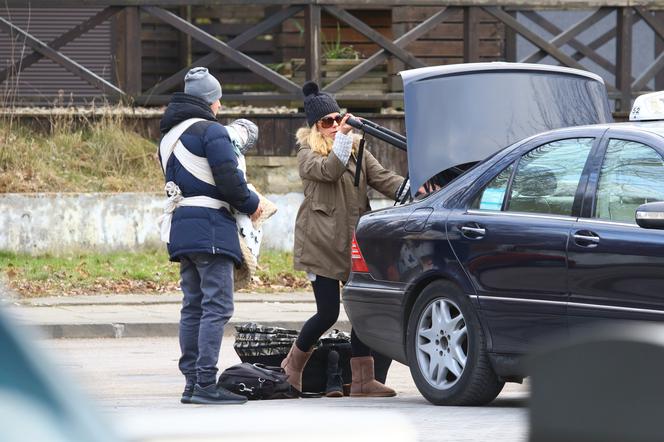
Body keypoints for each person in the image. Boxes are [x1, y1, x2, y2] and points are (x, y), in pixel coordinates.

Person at [281, 81, 409, 397]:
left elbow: (384, 179)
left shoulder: (356, 149)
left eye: (338, 119)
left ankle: (363, 381)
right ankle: (291, 369)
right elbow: (328, 171)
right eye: (328, 121)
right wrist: (343, 141)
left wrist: (414, 189)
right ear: (314, 126)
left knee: (362, 311)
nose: (335, 125)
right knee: (328, 313)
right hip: (320, 245)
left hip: (354, 245)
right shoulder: (306, 153)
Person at [157, 67, 262, 405]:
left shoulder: (169, 136)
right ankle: (205, 383)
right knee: (217, 305)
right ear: (210, 101)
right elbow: (230, 182)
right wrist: (254, 204)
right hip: (211, 227)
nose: (219, 106)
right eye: (218, 100)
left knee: (193, 306)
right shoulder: (211, 132)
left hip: (182, 226)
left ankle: (191, 383)